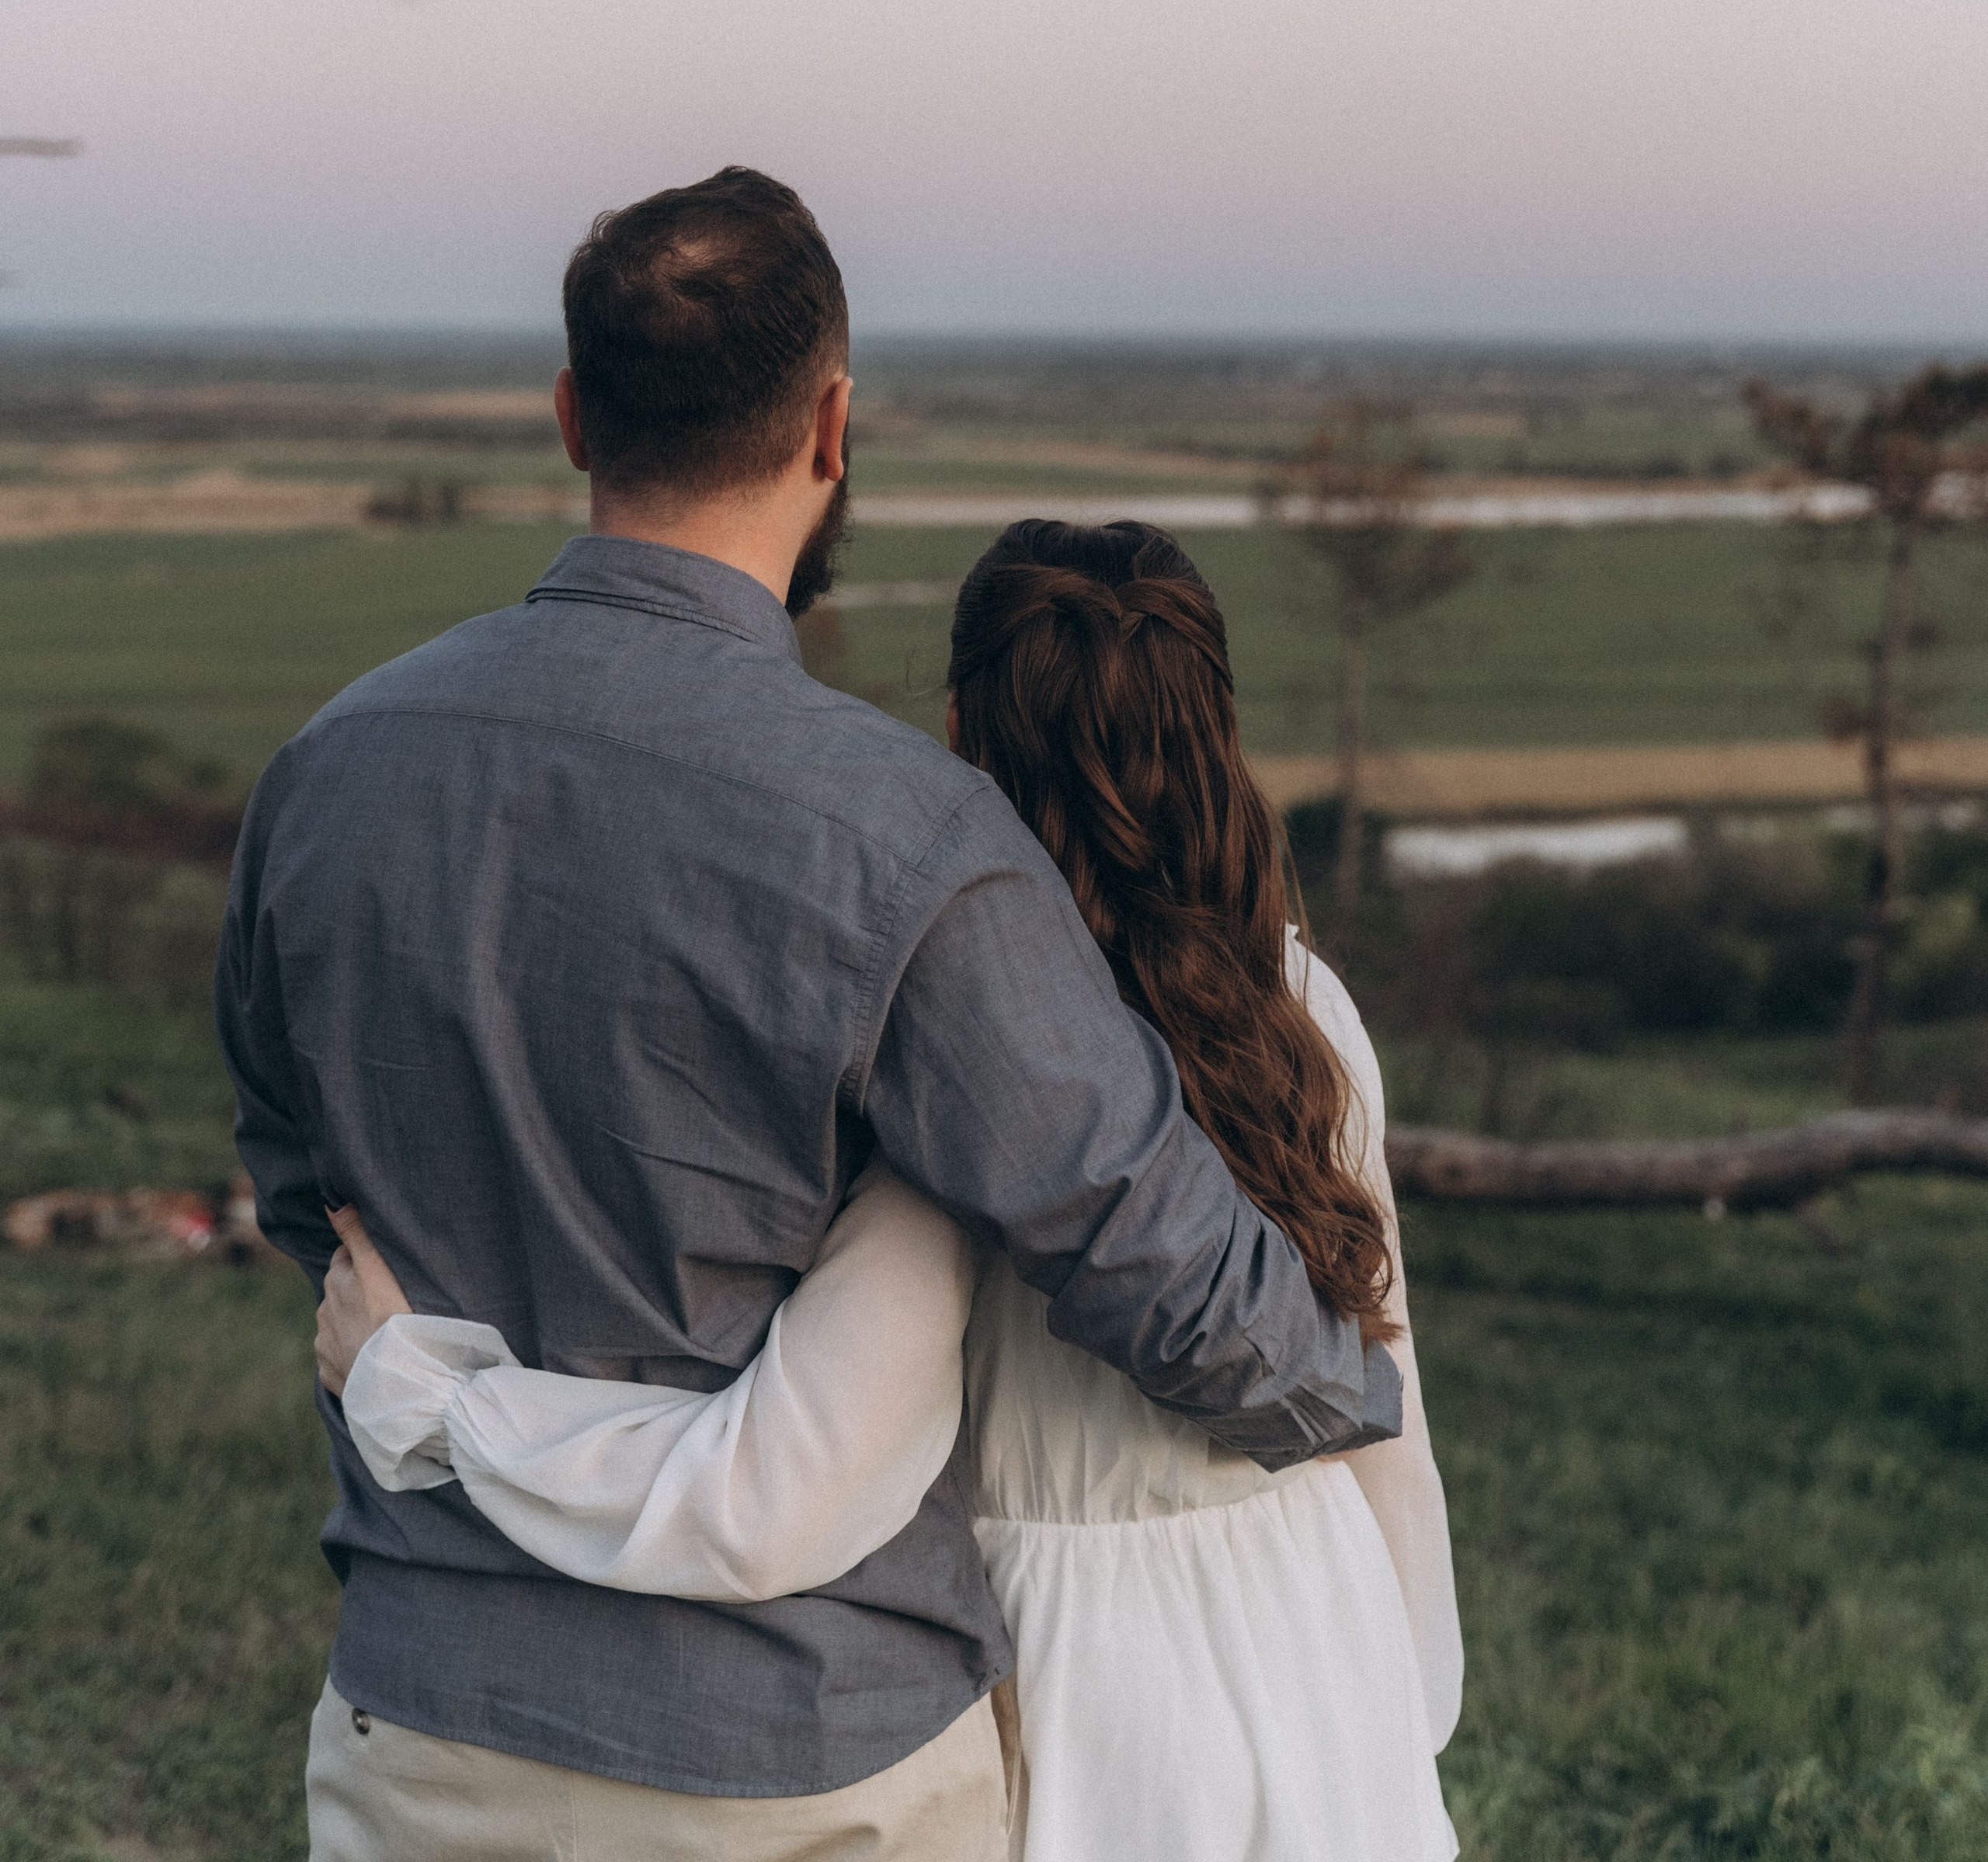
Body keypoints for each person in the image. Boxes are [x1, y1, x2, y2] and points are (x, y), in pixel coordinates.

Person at [216, 170, 1401, 1862]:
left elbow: (305, 1201)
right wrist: (1339, 1386)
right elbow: (1169, 1272)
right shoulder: (909, 841)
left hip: (421, 1726)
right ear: (832, 425)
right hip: (800, 1764)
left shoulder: (326, 772)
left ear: (573, 415)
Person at [316, 519, 1462, 1860]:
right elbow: (1389, 1416)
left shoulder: (969, 1065)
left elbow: (774, 1488)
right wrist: (1403, 1704)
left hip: (1085, 1697)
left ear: (962, 734)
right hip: (1324, 1640)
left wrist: (430, 1394)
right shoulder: (1307, 1010)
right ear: (1216, 733)